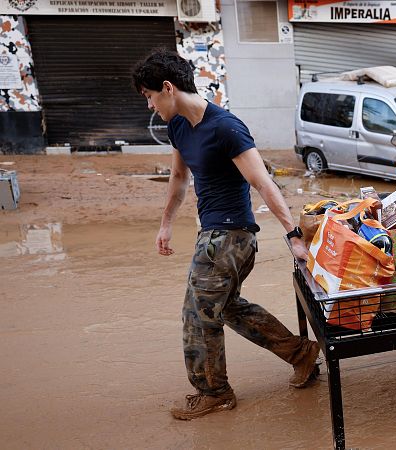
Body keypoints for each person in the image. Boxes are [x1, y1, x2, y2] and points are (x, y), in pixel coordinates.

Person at [132, 49, 320, 420]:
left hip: (232, 236)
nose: (150, 106)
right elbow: (179, 178)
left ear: (167, 88)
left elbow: (262, 182)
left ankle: (214, 392)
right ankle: (301, 354)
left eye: (150, 96)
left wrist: (294, 236)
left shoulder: (226, 126)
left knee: (198, 315)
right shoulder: (178, 127)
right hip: (212, 234)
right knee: (227, 306)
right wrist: (166, 223)